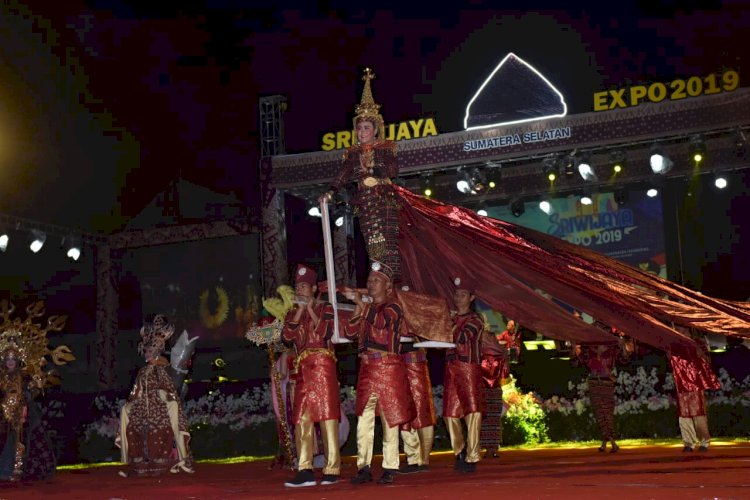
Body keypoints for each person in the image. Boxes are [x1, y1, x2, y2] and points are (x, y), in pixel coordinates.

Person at [320, 68, 401, 282]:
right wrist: (330, 192)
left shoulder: (385, 148)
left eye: (366, 127)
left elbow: (393, 169)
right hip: (365, 203)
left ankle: (393, 283)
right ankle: (379, 283)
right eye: (359, 128)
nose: (361, 132)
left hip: (384, 201)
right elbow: (342, 174)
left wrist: (375, 170)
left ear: (375, 129)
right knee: (373, 246)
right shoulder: (353, 154)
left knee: (389, 247)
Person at [343, 261, 415, 485]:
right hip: (367, 370)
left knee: (389, 419)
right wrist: (357, 306)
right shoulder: (367, 309)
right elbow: (349, 332)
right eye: (369, 281)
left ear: (388, 286)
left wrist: (361, 303)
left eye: (376, 281)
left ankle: (390, 466)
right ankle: (363, 466)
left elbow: (381, 322)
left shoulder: (393, 308)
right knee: (364, 419)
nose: (371, 284)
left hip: (388, 368)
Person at [281, 264, 341, 487]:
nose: (300, 290)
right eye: (298, 286)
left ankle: (332, 468)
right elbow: (287, 337)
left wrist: (310, 309)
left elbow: (325, 332)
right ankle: (304, 469)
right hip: (302, 369)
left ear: (315, 288)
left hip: (322, 365)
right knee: (301, 419)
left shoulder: (326, 308)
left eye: (305, 286)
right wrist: (299, 310)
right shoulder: (291, 313)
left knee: (327, 416)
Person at [116, 315, 194, 477]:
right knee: (130, 417)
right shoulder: (143, 370)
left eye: (150, 351)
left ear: (157, 351)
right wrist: (131, 403)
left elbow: (169, 388)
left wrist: (161, 396)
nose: (147, 354)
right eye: (145, 351)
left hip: (159, 405)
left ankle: (164, 463)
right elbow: (136, 390)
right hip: (142, 406)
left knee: (157, 424)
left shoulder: (162, 367)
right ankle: (139, 466)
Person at [0, 335, 56, 482]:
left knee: (22, 440)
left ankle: (19, 469)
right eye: (8, 359)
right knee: (6, 441)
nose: (10, 362)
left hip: (22, 414)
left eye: (13, 359)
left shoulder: (24, 377)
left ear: (17, 360)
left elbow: (28, 394)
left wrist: (23, 406)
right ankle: (5, 471)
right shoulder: (1, 378)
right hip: (4, 415)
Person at [443, 275, 485, 473]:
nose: (458, 297)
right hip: (452, 367)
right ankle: (459, 450)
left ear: (472, 298)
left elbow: (461, 337)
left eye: (463, 294)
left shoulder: (475, 319)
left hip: (469, 368)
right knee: (450, 414)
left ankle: (472, 455)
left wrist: (444, 324)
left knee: (473, 412)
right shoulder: (450, 318)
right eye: (456, 294)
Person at [572, 330, 633, 453]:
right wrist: (575, 350)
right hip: (594, 382)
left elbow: (624, 359)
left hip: (606, 382)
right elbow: (577, 362)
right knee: (599, 413)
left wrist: (624, 345)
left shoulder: (612, 348)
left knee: (607, 412)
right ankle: (607, 441)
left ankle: (611, 441)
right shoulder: (590, 349)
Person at [668, 326, 720, 452]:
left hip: (695, 384)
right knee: (684, 415)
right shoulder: (673, 345)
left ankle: (704, 442)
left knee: (698, 413)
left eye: (683, 330)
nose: (681, 332)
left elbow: (706, 360)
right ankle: (688, 443)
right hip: (681, 384)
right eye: (679, 330)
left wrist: (699, 352)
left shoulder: (698, 343)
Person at [398, 338, 435, 474]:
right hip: (397, 361)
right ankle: (413, 458)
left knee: (422, 410)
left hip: (415, 361)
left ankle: (422, 459)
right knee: (404, 410)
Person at [479, 325, 508, 458]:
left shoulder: (478, 354)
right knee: (494, 420)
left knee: (484, 419)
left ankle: (484, 447)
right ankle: (494, 448)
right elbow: (504, 375)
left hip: (482, 389)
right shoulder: (500, 354)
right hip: (495, 389)